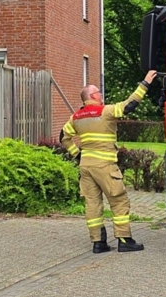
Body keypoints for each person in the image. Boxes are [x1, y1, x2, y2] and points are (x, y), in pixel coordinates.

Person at [60, 70, 158, 253]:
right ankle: (124, 240)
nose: (101, 95)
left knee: (92, 204)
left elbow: (63, 137)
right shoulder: (105, 112)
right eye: (98, 92)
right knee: (119, 200)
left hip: (86, 167)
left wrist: (77, 154)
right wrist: (145, 83)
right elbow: (129, 105)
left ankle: (98, 243)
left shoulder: (76, 117)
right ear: (91, 96)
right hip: (104, 166)